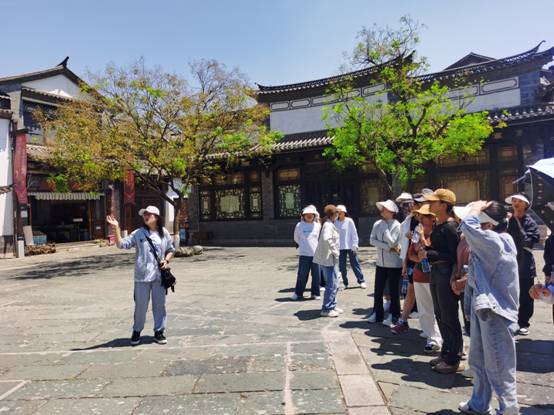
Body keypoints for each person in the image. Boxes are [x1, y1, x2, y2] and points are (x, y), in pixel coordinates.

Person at [456, 201, 519, 415]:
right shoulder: (494, 240)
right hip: (484, 308)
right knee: (479, 360)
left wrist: (474, 210)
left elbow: (468, 226)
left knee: (499, 366)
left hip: (495, 311)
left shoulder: (495, 241)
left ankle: (509, 409)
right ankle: (479, 403)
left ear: (489, 226)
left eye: (481, 222)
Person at [106, 206, 175, 346]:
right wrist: (116, 228)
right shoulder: (138, 233)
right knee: (140, 307)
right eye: (144, 214)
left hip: (159, 276)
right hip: (142, 277)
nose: (145, 216)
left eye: (148, 214)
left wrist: (166, 260)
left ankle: (159, 331)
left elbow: (171, 250)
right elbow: (122, 245)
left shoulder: (164, 233)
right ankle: (137, 330)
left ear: (156, 217)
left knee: (159, 305)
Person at [420, 188, 463, 374]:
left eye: (433, 202)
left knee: (449, 315)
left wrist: (429, 254)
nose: (429, 204)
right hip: (437, 272)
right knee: (440, 314)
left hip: (446, 273)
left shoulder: (451, 227)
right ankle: (446, 352)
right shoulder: (439, 225)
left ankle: (453, 358)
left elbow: (454, 255)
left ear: (444, 205)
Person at [407, 204, 442, 352]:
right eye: (420, 217)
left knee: (437, 309)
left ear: (433, 219)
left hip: (434, 277)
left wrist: (421, 238)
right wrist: (419, 259)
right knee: (424, 309)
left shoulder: (438, 234)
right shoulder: (417, 233)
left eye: (425, 217)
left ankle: (437, 338)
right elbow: (411, 254)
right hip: (419, 275)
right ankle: (431, 336)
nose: (421, 220)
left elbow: (432, 252)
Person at [506, 193, 540, 335]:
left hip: (525, 264)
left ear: (526, 205)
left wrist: (517, 222)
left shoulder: (530, 222)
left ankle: (523, 322)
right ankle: (510, 320)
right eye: (514, 200)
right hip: (509, 262)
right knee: (509, 293)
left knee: (526, 294)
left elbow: (528, 241)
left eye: (519, 201)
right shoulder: (507, 221)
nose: (516, 203)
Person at [391, 193, 424, 334]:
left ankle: (429, 328)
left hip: (426, 262)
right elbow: (405, 244)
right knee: (411, 291)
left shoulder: (430, 219)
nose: (414, 206)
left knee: (426, 295)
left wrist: (416, 237)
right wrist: (404, 263)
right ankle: (403, 321)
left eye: (418, 204)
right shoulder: (408, 221)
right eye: (414, 203)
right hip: (411, 261)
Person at [369, 199, 402, 326]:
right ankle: (377, 313)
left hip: (394, 264)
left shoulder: (397, 225)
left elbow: (394, 243)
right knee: (378, 290)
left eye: (385, 208)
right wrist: (387, 247)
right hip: (380, 263)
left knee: (394, 291)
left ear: (392, 212)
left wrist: (386, 231)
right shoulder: (377, 223)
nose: (382, 210)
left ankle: (394, 315)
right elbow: (372, 240)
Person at [313, 205, 343, 317]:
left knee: (334, 283)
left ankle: (332, 305)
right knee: (331, 284)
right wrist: (335, 251)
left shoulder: (329, 224)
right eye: (337, 214)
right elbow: (327, 239)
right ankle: (327, 308)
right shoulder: (328, 225)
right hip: (329, 258)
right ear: (333, 214)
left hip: (331, 258)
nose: (338, 216)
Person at [292, 205, 322, 300]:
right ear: (303, 216)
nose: (309, 216)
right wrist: (303, 245)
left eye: (311, 214)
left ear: (314, 215)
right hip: (304, 254)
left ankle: (315, 293)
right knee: (302, 275)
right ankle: (298, 293)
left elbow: (319, 238)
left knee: (316, 275)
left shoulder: (318, 225)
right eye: (307, 214)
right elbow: (296, 238)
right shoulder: (299, 225)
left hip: (316, 254)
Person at [335, 205, 367, 289]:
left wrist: (355, 245)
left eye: (340, 212)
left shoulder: (349, 221)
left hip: (350, 246)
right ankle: (344, 283)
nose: (339, 213)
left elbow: (354, 233)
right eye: (337, 212)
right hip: (339, 247)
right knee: (342, 266)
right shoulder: (335, 222)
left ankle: (361, 281)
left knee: (355, 263)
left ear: (344, 212)